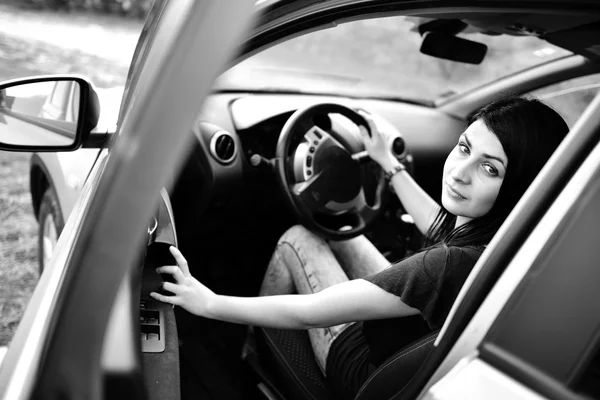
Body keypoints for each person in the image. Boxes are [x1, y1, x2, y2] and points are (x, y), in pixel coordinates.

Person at [151, 95, 569, 399]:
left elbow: (312, 310)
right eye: (463, 148)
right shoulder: (514, 245)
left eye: (489, 168)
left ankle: (254, 355)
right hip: (404, 349)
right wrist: (389, 164)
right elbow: (438, 227)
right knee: (338, 233)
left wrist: (207, 302)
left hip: (362, 368)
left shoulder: (446, 265)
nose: (460, 172)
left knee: (298, 239)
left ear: (518, 188)